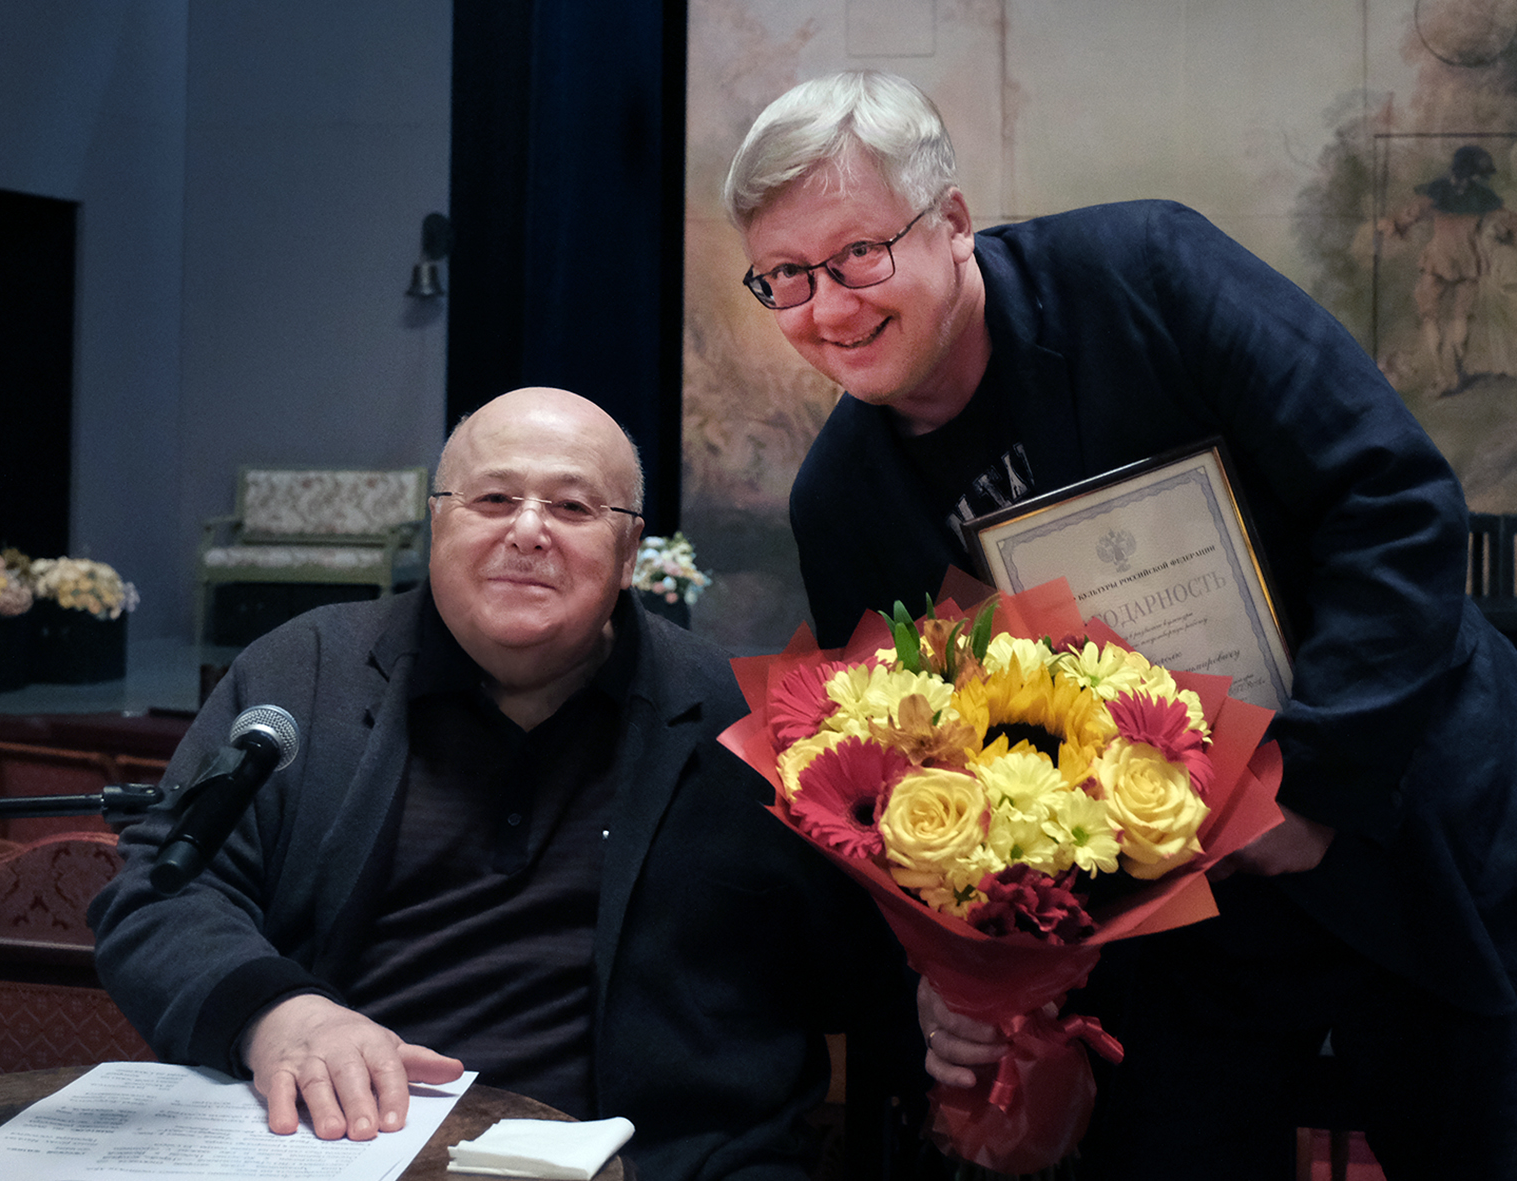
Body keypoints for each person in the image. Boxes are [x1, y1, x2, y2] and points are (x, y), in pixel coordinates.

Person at [723, 70, 1517, 1180]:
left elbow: (1390, 500)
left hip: (1405, 819)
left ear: (953, 220)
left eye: (860, 252)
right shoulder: (842, 502)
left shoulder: (1146, 272)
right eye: (788, 276)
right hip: (1174, 932)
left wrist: (1308, 785)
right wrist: (954, 964)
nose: (830, 306)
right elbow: (907, 767)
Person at [90, 387, 917, 1180]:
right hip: (352, 1147)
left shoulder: (743, 721)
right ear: (436, 522)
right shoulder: (304, 674)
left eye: (572, 507)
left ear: (630, 552)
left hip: (657, 1162)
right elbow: (162, 893)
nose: (527, 531)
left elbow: (867, 967)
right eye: (492, 499)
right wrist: (278, 1014)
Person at [1379, 143, 1517, 393]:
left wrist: (1392, 225)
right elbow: (1509, 221)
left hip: (1439, 258)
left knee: (1430, 316)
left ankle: (1442, 376)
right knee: (1460, 317)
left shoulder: (1438, 190)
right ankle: (1458, 372)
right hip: (1469, 261)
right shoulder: (1483, 196)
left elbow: (1411, 213)